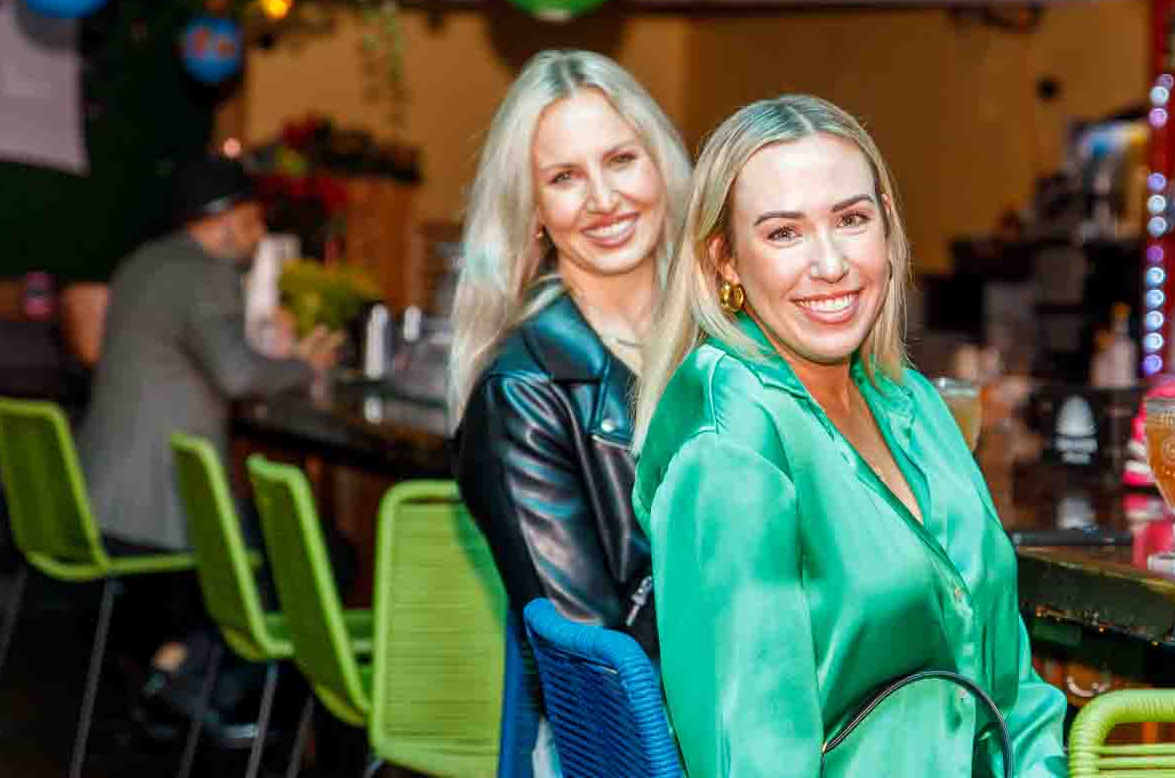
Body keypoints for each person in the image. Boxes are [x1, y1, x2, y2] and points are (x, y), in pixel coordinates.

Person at [632, 95, 1068, 777]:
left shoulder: (911, 401)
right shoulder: (731, 441)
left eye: (851, 220)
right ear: (725, 261)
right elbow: (751, 757)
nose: (830, 263)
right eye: (784, 233)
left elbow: (1014, 691)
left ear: (887, 227)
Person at [451, 51, 691, 776]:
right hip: (640, 749)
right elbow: (600, 669)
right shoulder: (523, 391)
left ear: (661, 166)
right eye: (564, 178)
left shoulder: (729, 343)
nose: (603, 199)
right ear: (533, 213)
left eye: (620, 160)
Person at [77, 153, 339, 554]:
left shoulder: (142, 261)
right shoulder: (207, 274)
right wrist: (305, 366)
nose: (260, 236)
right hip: (156, 517)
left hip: (96, 501)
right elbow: (238, 376)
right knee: (326, 551)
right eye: (252, 222)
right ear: (225, 223)